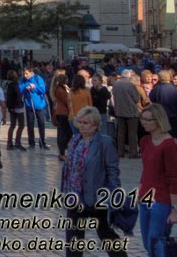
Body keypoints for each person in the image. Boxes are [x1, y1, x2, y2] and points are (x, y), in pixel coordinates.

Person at [61, 107, 127, 257]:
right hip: (75, 197)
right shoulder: (75, 140)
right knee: (73, 239)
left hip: (97, 196)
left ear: (96, 125)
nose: (82, 126)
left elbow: (113, 171)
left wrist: (114, 194)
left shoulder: (105, 142)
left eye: (86, 123)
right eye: (80, 122)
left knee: (106, 234)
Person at [137, 103, 177, 256]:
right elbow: (146, 169)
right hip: (146, 198)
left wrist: (175, 209)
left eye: (148, 120)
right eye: (143, 119)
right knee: (148, 244)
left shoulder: (169, 145)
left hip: (162, 201)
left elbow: (173, 178)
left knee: (156, 244)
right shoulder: (145, 141)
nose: (144, 123)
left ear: (159, 120)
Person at [112, 69, 143, 159]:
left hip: (119, 111)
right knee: (132, 133)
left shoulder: (116, 84)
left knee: (120, 133)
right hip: (131, 112)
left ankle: (120, 152)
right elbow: (136, 99)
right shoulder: (130, 85)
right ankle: (133, 153)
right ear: (129, 77)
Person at [20, 65, 49, 150]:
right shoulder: (23, 80)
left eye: (26, 74)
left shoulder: (38, 78)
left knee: (41, 124)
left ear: (31, 73)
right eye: (24, 74)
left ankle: (42, 142)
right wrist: (26, 88)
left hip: (39, 105)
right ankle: (31, 143)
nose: (25, 75)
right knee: (30, 124)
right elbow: (20, 89)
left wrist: (34, 87)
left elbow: (43, 90)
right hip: (29, 105)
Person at [51, 69, 73, 160]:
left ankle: (63, 149)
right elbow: (66, 100)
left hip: (64, 111)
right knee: (64, 132)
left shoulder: (64, 87)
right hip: (62, 112)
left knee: (67, 131)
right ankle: (62, 151)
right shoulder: (60, 89)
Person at [3, 69, 26, 152]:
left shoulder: (8, 85)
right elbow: (18, 96)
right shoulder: (15, 85)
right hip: (18, 107)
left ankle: (9, 143)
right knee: (21, 124)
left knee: (12, 125)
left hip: (11, 107)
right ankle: (17, 142)